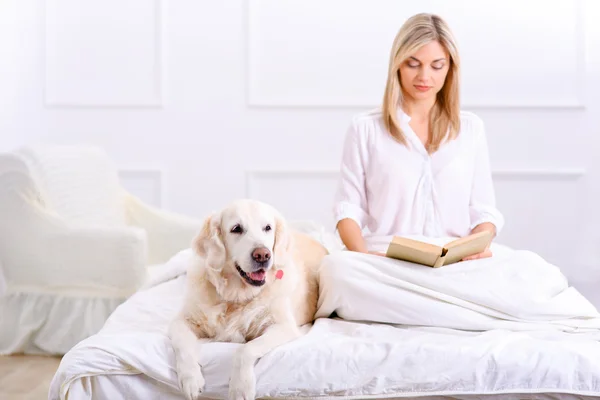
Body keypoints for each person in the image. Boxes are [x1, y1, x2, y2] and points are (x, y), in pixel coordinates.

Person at [332, 12, 504, 261]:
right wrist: (366, 257)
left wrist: (474, 247)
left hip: (454, 259)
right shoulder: (365, 129)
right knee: (339, 269)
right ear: (397, 65)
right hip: (385, 256)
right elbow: (348, 210)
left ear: (450, 68)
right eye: (413, 64)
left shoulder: (471, 129)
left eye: (437, 65)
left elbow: (484, 213)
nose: (424, 76)